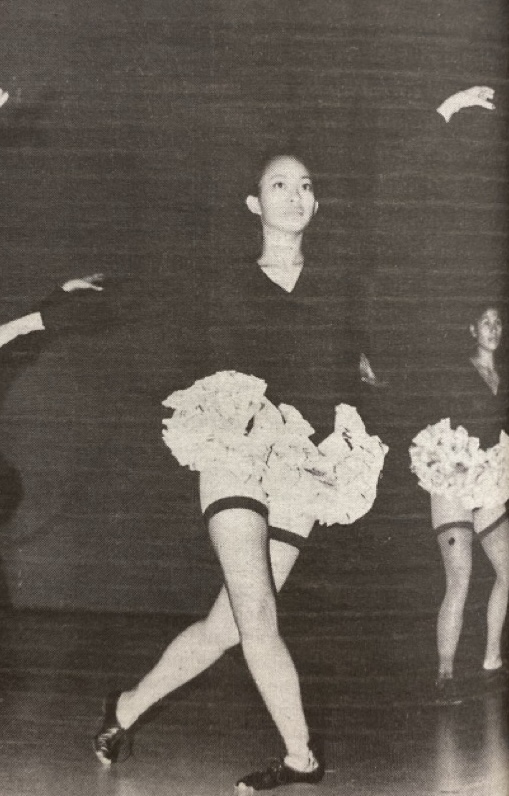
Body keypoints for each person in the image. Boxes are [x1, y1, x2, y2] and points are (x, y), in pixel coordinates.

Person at [93, 153, 388, 791]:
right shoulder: (224, 280)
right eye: (278, 184)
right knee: (256, 613)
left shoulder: (337, 285)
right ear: (254, 204)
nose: (294, 194)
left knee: (225, 627)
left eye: (305, 185)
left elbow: (355, 358)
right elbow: (145, 294)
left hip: (300, 465)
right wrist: (44, 314)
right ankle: (301, 758)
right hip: (235, 447)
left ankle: (126, 708)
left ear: (317, 203)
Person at [410, 304, 509, 696]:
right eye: (486, 322)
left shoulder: (504, 376)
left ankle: (491, 659)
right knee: (460, 576)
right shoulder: (456, 370)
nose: (494, 328)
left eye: (498, 322)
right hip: (452, 477)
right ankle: (445, 672)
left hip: (487, 480)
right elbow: (420, 394)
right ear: (472, 330)